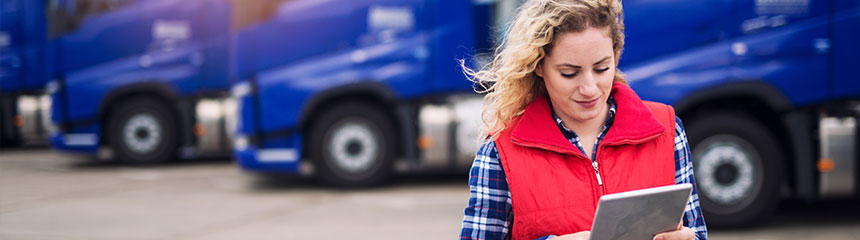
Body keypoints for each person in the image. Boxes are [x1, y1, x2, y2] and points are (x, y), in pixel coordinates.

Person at [458, 0, 708, 239]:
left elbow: (695, 231)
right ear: (539, 66)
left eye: (601, 68)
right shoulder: (501, 152)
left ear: (616, 56)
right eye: (569, 73)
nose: (589, 88)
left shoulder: (666, 129)